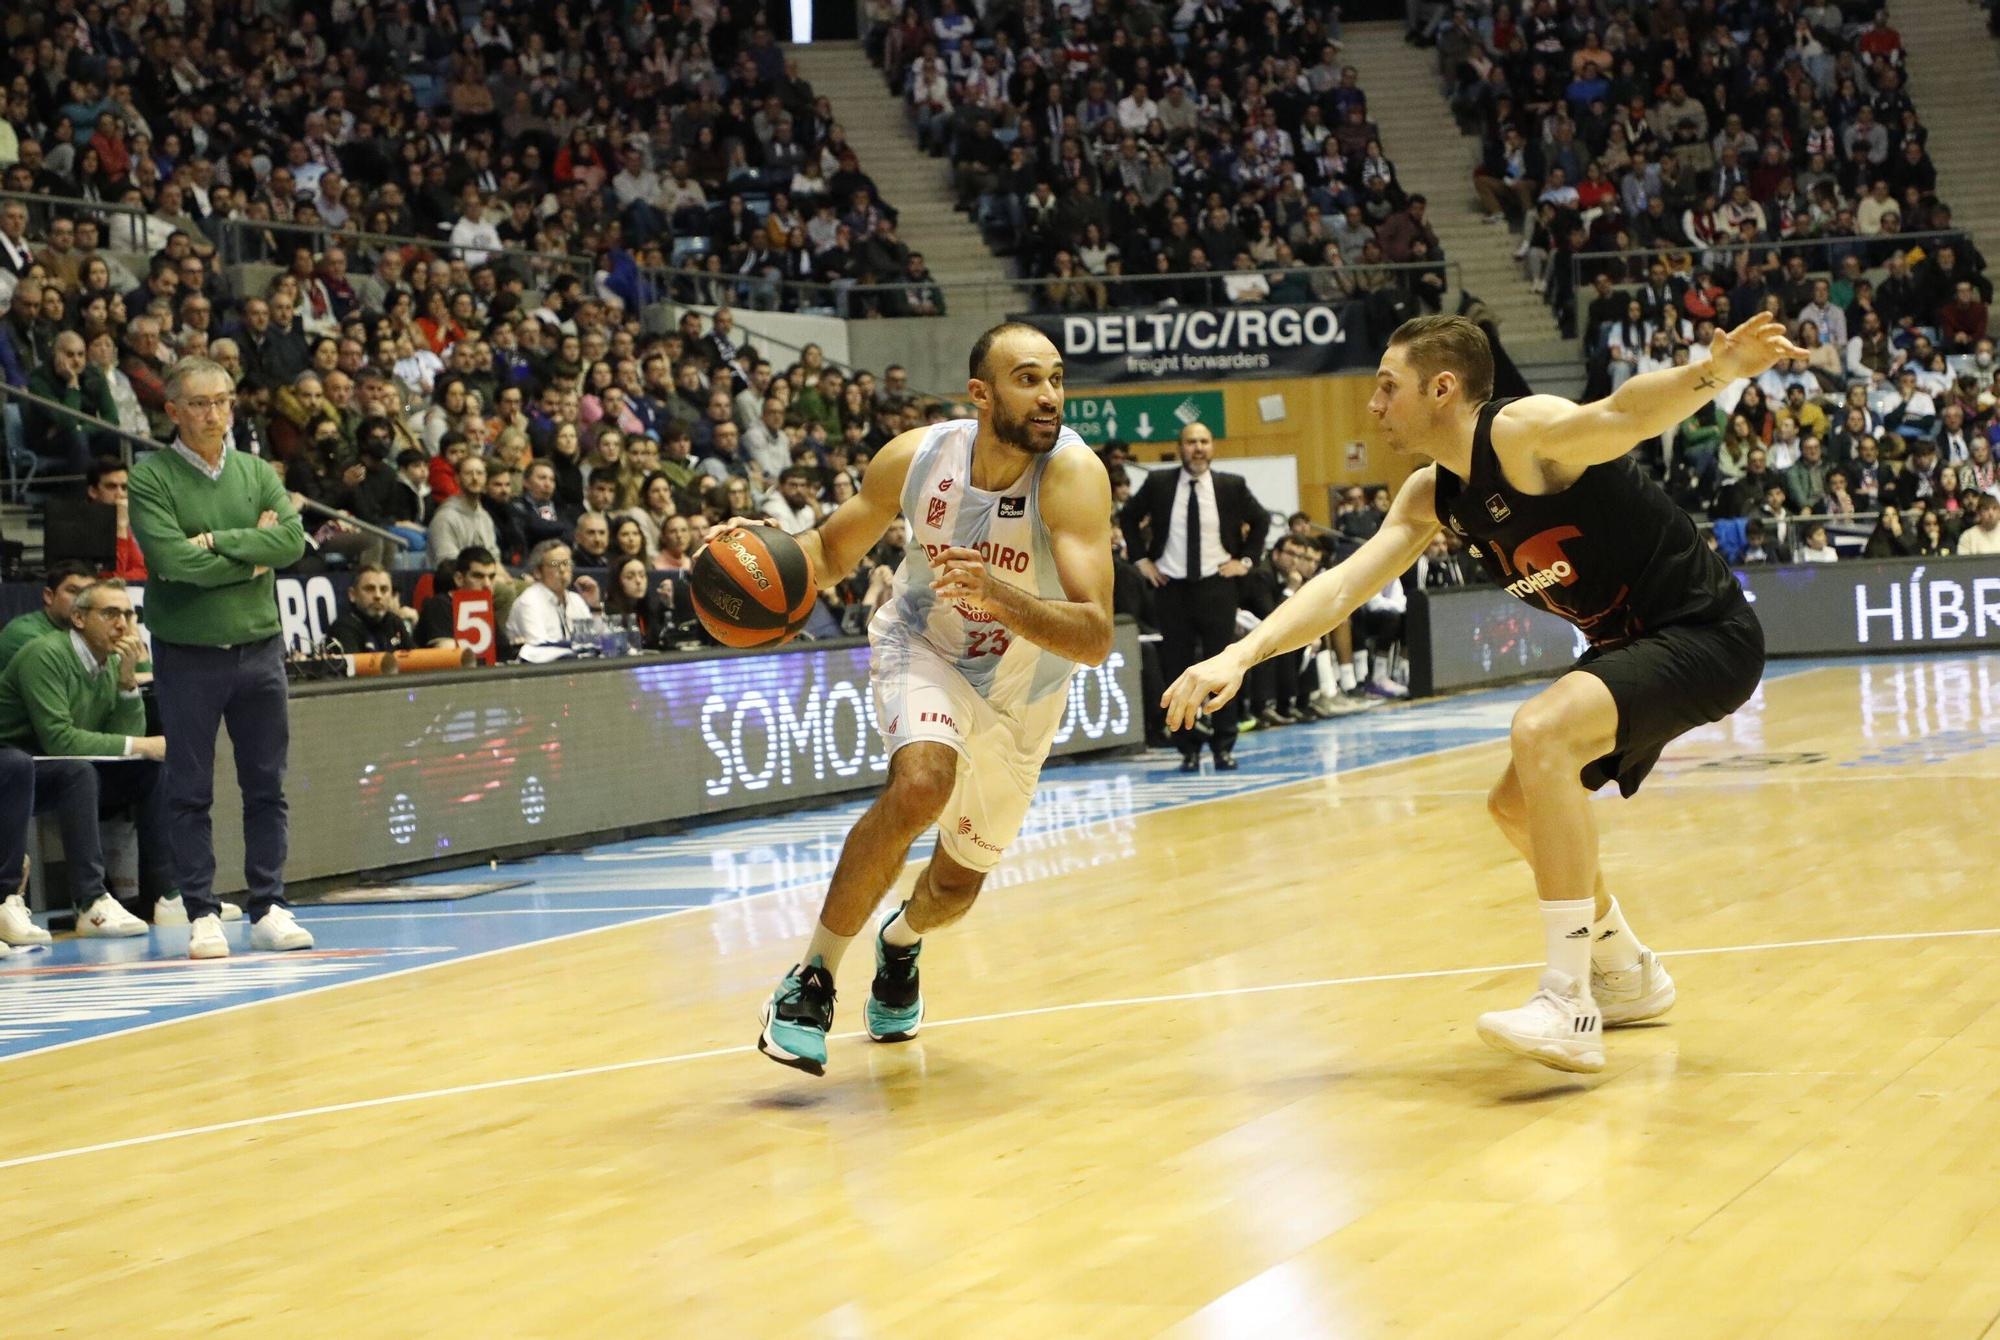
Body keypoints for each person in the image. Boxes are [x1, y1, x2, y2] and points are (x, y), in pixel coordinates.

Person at [1166, 312, 1800, 1075]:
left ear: (1442, 388)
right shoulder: (1433, 495)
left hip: (1706, 634)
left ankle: (1569, 1002)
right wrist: (1241, 653)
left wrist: (1716, 372)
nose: (1373, 406)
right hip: (1630, 645)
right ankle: (1627, 972)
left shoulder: (1520, 434)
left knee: (1541, 731)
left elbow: (1622, 415)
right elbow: (1339, 590)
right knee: (1513, 805)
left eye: (1386, 387)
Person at [755, 321, 1113, 1077]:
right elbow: (826, 554)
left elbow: (1093, 636)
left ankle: (901, 943)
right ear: (980, 394)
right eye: (1027, 379)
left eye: (1055, 378)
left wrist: (998, 594)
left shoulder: (1073, 475)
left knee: (954, 886)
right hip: (923, 645)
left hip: (1025, 692)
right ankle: (811, 980)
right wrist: (759, 554)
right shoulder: (918, 459)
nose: (1048, 395)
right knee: (921, 782)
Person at [127, 357, 316, 960]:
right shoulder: (150, 479)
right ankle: (202, 910)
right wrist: (251, 557)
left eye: (224, 401)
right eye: (202, 403)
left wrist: (221, 542)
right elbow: (173, 563)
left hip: (260, 649)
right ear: (173, 411)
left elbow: (289, 541)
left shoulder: (257, 471)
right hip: (187, 655)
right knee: (190, 788)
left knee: (267, 785)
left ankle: (269, 905)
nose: (215, 413)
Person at [0, 578, 174, 939]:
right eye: (110, 613)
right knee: (79, 771)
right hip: (14, 765)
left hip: (46, 766)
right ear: (78, 618)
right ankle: (90, 902)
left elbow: (123, 739)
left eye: (128, 614)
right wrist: (141, 745)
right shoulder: (45, 654)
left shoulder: (109, 662)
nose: (122, 624)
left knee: (151, 771)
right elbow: (60, 740)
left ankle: (165, 895)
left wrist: (127, 683)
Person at [1121, 423, 1267, 772]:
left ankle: (1224, 746)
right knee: (1177, 671)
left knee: (1223, 669)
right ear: (1180, 447)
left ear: (1212, 447)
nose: (1198, 448)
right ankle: (1186, 748)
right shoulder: (1159, 484)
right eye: (1191, 442)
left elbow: (1260, 520)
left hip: (1216, 586)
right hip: (1171, 588)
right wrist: (1141, 560)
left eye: (1203, 442)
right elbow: (1127, 516)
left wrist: (1245, 561)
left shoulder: (1230, 485)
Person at [503, 540, 597, 663]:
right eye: (555, 564)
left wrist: (595, 606)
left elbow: (594, 641)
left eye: (566, 563)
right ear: (537, 572)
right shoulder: (529, 601)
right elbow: (539, 649)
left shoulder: (576, 599)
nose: (563, 570)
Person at [0, 561, 96, 675]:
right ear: (49, 596)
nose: (82, 600)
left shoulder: (81, 632)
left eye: (89, 593)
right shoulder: (25, 634)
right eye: (73, 591)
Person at [327, 564, 416, 655]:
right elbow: (355, 668)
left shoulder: (394, 622)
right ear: (352, 595)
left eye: (384, 589)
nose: (378, 595)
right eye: (369, 589)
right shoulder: (343, 628)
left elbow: (417, 663)